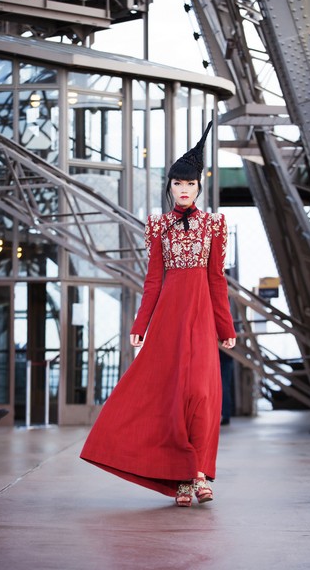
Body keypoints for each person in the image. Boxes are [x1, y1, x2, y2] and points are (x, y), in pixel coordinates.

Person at [81, 120, 236, 507]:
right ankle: (184, 479)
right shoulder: (158, 226)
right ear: (169, 187)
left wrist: (226, 327)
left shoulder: (214, 225)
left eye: (190, 184)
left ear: (199, 187)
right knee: (170, 398)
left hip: (202, 317)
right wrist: (141, 324)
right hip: (168, 318)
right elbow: (152, 280)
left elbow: (217, 280)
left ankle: (200, 472)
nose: (183, 189)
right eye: (177, 183)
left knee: (201, 394)